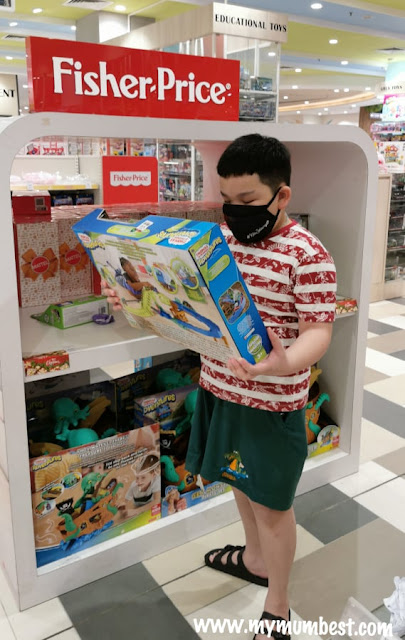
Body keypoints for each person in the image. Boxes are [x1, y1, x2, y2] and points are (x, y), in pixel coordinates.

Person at [101, 134, 337, 640]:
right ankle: (254, 559)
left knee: (272, 504)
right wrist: (133, 298)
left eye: (248, 200)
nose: (234, 212)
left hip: (271, 405)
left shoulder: (308, 254)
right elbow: (185, 308)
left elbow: (319, 331)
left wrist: (283, 363)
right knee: (238, 484)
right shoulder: (219, 245)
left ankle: (278, 604)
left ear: (282, 195)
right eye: (226, 200)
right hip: (219, 389)